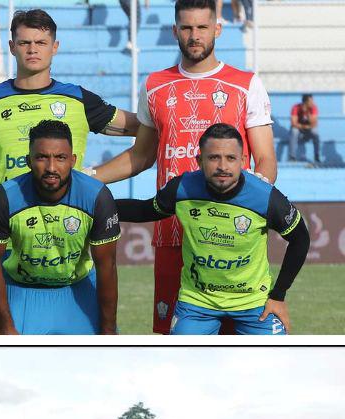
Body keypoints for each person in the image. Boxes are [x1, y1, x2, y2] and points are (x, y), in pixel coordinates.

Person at [94, 0, 277, 335]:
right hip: (172, 231)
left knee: (244, 345)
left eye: (202, 28)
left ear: (217, 29)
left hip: (232, 236)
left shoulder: (246, 84)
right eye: (187, 28)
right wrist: (87, 178)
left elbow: (265, 160)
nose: (195, 36)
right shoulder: (154, 85)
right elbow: (141, 156)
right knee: (176, 343)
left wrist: (251, 206)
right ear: (175, 30)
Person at [116, 123, 309, 334]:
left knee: (274, 362)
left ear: (243, 161)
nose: (222, 166)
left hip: (255, 303)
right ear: (200, 161)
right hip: (197, 302)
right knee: (181, 361)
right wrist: (98, 204)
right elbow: (146, 211)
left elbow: (301, 239)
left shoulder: (266, 197)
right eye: (213, 157)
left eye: (231, 158)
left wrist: (278, 296)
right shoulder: (182, 189)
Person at [0, 9, 137, 192]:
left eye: (41, 42)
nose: (32, 49)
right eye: (24, 42)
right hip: (8, 215)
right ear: (12, 47)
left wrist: (92, 175)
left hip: (69, 215)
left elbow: (143, 126)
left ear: (54, 47)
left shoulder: (77, 99)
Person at [0, 119, 120, 334]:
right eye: (42, 157)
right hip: (22, 286)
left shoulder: (96, 196)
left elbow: (107, 267)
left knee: (92, 363)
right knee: (15, 363)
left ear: (73, 160)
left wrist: (108, 330)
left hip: (76, 287)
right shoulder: (4, 197)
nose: (51, 167)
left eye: (60, 158)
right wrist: (6, 324)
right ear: (28, 160)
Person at [289, 94, 320, 164]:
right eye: (311, 101)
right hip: (299, 129)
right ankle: (292, 156)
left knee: (315, 133)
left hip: (308, 129)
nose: (312, 103)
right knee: (294, 131)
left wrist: (309, 115)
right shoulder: (296, 107)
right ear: (305, 102)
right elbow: (293, 123)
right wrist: (303, 126)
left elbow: (315, 123)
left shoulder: (313, 108)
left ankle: (317, 156)